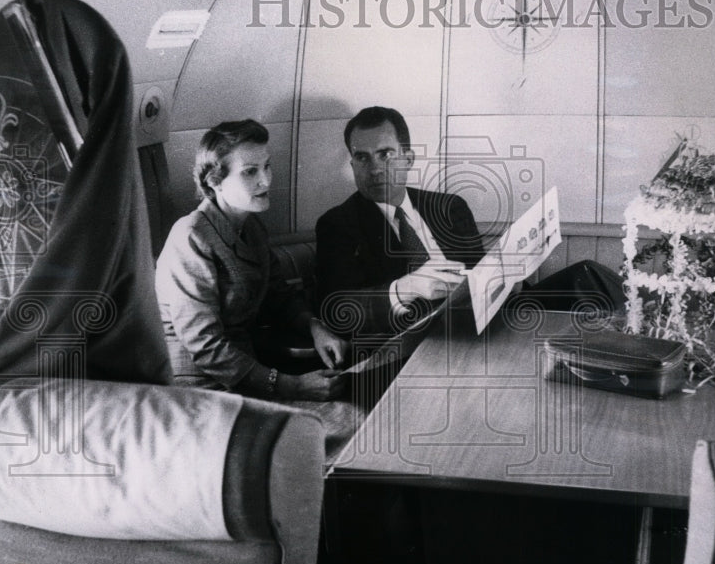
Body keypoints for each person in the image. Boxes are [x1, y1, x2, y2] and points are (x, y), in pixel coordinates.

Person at [315, 106, 624, 338]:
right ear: (352, 163)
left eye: (385, 154)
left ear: (408, 159)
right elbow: (337, 309)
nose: (374, 169)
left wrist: (511, 277)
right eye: (362, 157)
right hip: (422, 339)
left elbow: (480, 271)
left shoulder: (449, 207)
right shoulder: (339, 223)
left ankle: (630, 354)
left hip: (486, 319)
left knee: (588, 278)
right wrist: (405, 289)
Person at [155, 119, 348, 401]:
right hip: (199, 387)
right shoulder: (191, 236)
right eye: (250, 171)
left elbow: (279, 296)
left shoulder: (252, 228)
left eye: (266, 166)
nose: (266, 180)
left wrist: (315, 327)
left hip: (245, 374)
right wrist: (292, 386)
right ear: (214, 182)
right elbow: (205, 346)